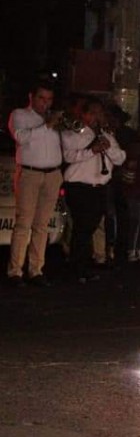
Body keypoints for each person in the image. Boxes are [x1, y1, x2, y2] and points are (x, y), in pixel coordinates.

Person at [61, 97, 126, 283]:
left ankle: (81, 264)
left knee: (90, 227)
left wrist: (107, 147)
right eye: (92, 113)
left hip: (99, 187)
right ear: (84, 114)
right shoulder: (73, 134)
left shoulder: (106, 135)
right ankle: (77, 267)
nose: (96, 117)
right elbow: (68, 156)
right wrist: (92, 150)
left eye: (99, 113)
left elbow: (120, 158)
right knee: (82, 226)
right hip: (79, 187)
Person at [6, 80, 63, 287]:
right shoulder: (20, 115)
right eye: (41, 98)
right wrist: (46, 125)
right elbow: (21, 138)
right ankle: (15, 271)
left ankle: (36, 269)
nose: (45, 103)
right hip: (30, 174)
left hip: (52, 174)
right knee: (24, 223)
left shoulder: (56, 120)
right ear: (31, 97)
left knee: (42, 225)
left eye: (49, 99)